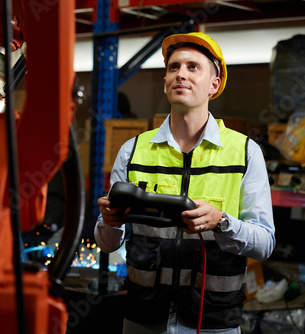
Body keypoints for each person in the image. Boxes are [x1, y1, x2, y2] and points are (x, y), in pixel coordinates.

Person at [94, 32, 275, 334]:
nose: (181, 74)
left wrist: (221, 222)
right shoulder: (133, 151)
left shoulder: (245, 152)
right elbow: (107, 243)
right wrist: (109, 222)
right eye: (173, 67)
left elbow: (265, 244)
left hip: (214, 321)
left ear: (213, 85)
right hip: (144, 317)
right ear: (165, 81)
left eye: (193, 67)